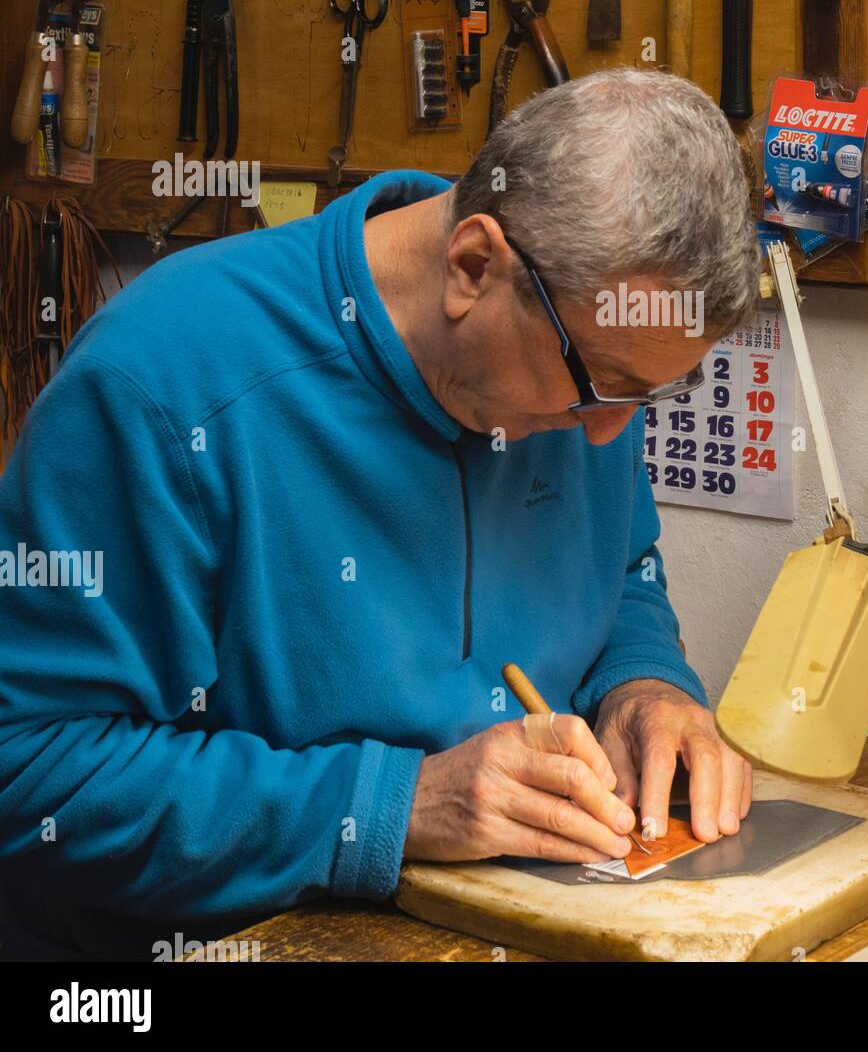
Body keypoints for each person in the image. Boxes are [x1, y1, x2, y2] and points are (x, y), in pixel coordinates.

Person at [0, 69, 761, 958]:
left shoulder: (584, 352)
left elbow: (622, 570)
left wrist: (644, 682)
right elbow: (31, 769)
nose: (608, 438)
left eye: (650, 394)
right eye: (600, 388)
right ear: (474, 266)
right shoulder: (163, 387)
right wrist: (392, 807)